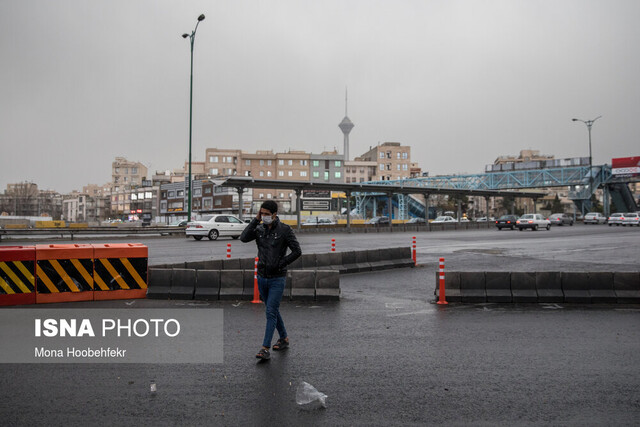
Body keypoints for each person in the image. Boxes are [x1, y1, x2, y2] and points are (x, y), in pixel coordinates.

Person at [240, 200, 301, 360]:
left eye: (267, 214)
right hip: (262, 277)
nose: (264, 217)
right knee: (272, 310)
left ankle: (264, 348)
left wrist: (281, 264)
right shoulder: (259, 229)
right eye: (262, 214)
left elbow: (297, 251)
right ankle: (284, 338)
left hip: (277, 278)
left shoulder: (285, 230)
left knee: (270, 312)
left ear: (274, 214)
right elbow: (243, 238)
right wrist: (255, 220)